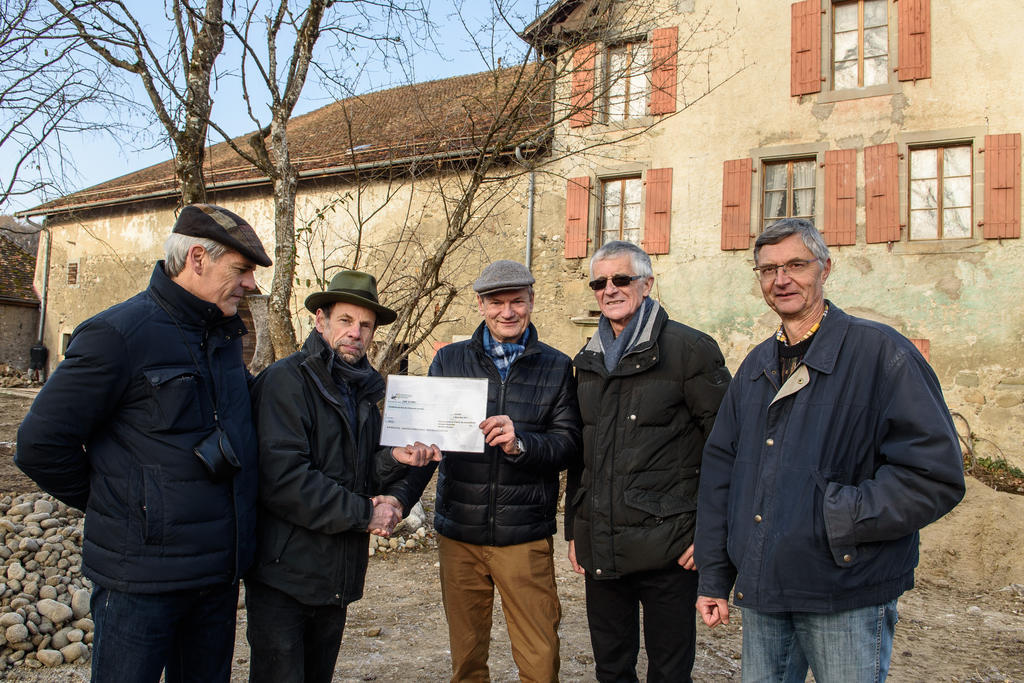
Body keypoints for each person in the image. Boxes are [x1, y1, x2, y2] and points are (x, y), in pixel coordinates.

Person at [694, 217, 966, 682]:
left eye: (796, 264)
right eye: (768, 269)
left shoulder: (882, 353)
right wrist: (714, 577)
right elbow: (722, 474)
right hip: (765, 590)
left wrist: (839, 517)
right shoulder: (756, 366)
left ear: (825, 268)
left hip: (846, 590)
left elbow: (935, 474)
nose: (782, 279)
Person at [15, 204, 272, 682]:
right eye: (240, 270)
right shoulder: (117, 335)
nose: (250, 284)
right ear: (197, 258)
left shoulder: (223, 339)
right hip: (140, 581)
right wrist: (120, 504)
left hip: (215, 576)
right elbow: (39, 444)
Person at [244, 270, 435, 683]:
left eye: (365, 325)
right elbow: (284, 480)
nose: (356, 333)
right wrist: (366, 513)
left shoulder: (362, 390)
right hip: (284, 574)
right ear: (320, 320)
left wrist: (395, 460)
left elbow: (360, 471)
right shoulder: (286, 381)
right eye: (346, 321)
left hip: (335, 574)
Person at [565, 240, 731, 682]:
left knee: (670, 671)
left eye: (622, 279)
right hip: (602, 547)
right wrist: (575, 529)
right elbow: (583, 452)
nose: (610, 289)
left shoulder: (691, 350)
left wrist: (712, 535)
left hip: (671, 551)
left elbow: (729, 448)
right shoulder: (589, 359)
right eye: (600, 282)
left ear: (647, 283)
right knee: (612, 668)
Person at [419, 259, 581, 682]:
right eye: (496, 302)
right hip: (460, 532)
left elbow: (568, 444)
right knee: (467, 656)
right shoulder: (449, 360)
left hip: (523, 535)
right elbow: (427, 435)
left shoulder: (557, 365)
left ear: (531, 301)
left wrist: (520, 443)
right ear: (480, 304)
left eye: (517, 301)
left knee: (539, 656)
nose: (507, 312)